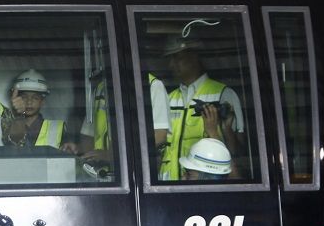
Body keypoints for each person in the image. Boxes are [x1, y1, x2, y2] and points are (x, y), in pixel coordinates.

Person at [159, 37, 245, 181]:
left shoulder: (223, 94)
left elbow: (239, 151)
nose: (171, 64)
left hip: (203, 187)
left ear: (194, 57)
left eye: (177, 58)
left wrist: (223, 131)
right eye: (169, 59)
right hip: (168, 186)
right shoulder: (168, 99)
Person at [62, 72, 170, 162]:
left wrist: (113, 156)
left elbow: (159, 136)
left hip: (134, 173)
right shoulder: (100, 89)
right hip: (101, 173)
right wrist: (77, 149)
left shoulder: (152, 85)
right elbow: (89, 138)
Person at [5, 69, 65, 147]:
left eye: (35, 98)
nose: (29, 102)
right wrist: (19, 115)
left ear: (42, 101)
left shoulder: (58, 128)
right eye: (24, 97)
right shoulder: (7, 127)